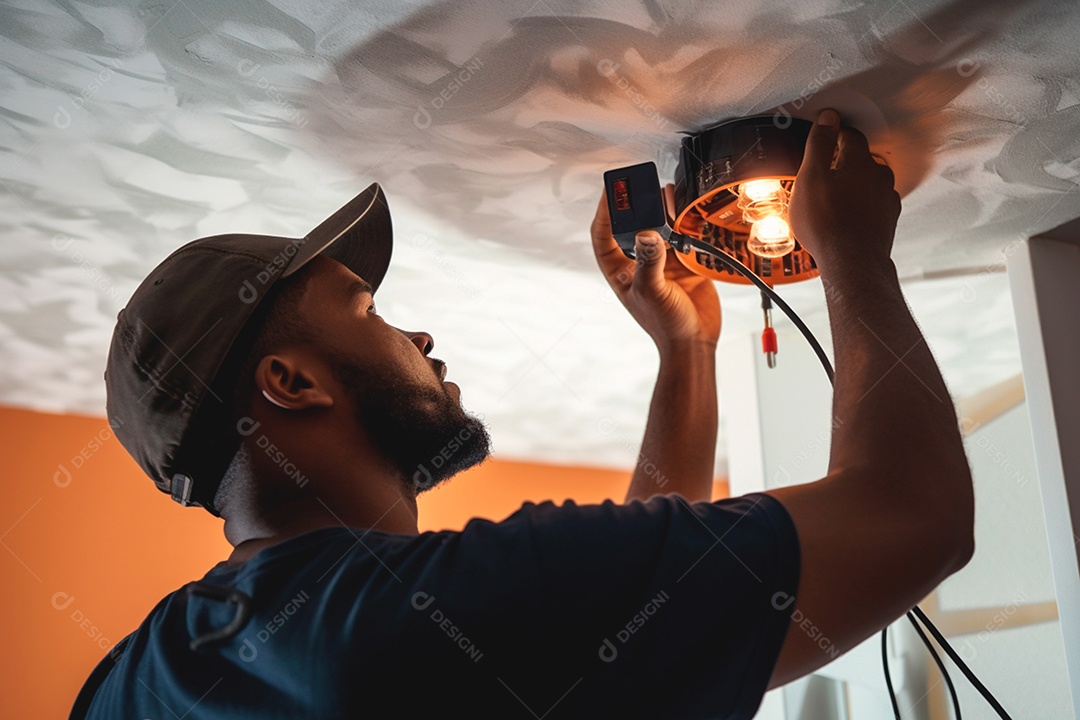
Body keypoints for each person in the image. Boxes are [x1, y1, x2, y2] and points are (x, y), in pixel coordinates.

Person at [72, 109, 974, 719]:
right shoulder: (429, 607)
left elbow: (620, 619)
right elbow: (911, 516)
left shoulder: (133, 678)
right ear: (291, 383)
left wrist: (686, 354)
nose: (415, 332)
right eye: (367, 311)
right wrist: (854, 254)